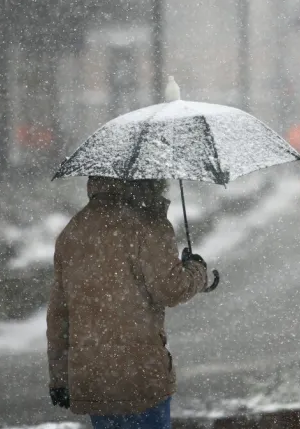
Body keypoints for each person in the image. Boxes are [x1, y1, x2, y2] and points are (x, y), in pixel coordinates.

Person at [47, 176, 208, 429]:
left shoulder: (74, 230)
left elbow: (59, 315)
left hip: (93, 377)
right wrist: (197, 270)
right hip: (140, 375)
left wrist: (59, 378)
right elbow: (171, 289)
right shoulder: (148, 224)